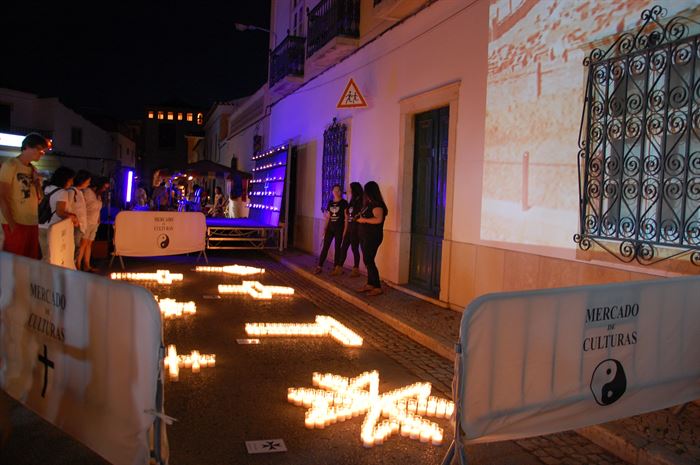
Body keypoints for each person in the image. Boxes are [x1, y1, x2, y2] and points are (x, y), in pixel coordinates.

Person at [0, 133, 49, 259]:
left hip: (31, 222)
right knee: (15, 261)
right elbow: (2, 196)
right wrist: (11, 223)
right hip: (16, 221)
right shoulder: (10, 165)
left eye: (43, 151)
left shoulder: (32, 169)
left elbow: (40, 198)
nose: (41, 153)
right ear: (27, 147)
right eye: (39, 149)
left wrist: (37, 183)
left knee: (30, 261)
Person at [38, 166, 78, 262]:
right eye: (71, 180)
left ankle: (42, 275)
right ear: (65, 179)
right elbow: (60, 212)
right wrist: (72, 217)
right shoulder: (62, 192)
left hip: (40, 225)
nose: (72, 183)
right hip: (52, 228)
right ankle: (47, 276)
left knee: (44, 255)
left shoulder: (46, 188)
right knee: (51, 257)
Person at [356, 181, 388, 296]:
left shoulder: (377, 205)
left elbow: (378, 220)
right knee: (367, 260)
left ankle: (377, 286)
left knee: (369, 260)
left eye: (366, 191)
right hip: (365, 236)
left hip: (373, 237)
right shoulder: (368, 204)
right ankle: (370, 284)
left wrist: (364, 220)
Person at [315, 184, 348, 274]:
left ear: (340, 192)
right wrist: (325, 228)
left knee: (338, 248)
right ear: (332, 191)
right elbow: (328, 217)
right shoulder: (330, 202)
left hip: (339, 228)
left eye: (338, 190)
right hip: (330, 228)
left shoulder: (344, 203)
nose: (336, 192)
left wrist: (345, 230)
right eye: (335, 190)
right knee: (325, 246)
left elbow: (346, 218)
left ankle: (336, 268)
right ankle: (319, 266)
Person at [82, 177, 110, 271]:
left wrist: (98, 219)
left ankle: (87, 264)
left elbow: (98, 209)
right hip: (86, 222)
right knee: (83, 244)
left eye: (106, 188)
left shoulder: (98, 195)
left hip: (94, 223)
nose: (104, 189)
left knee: (89, 244)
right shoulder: (87, 192)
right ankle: (78, 264)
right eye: (104, 187)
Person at [337, 182, 364, 277]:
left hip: (356, 228)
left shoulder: (360, 200)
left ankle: (356, 269)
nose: (348, 190)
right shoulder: (352, 200)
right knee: (343, 247)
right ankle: (339, 268)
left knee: (354, 248)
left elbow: (360, 214)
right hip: (349, 227)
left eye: (350, 188)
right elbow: (348, 213)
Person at [69, 170, 91, 270]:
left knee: (77, 247)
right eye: (88, 181)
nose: (89, 183)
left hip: (80, 225)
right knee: (75, 247)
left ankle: (75, 267)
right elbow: (68, 207)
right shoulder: (72, 192)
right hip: (75, 225)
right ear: (82, 181)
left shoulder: (80, 192)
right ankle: (73, 268)